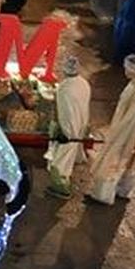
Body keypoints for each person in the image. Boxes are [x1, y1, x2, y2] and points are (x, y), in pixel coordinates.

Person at [86, 54, 135, 205]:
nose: (124, 71)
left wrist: (117, 135)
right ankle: (122, 190)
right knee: (129, 163)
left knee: (112, 162)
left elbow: (132, 119)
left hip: (126, 132)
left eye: (126, 68)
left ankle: (103, 195)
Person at [45, 55, 91, 198]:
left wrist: (62, 131)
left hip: (68, 130)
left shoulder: (64, 88)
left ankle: (61, 188)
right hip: (80, 126)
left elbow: (64, 112)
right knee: (69, 156)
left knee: (60, 161)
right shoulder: (84, 84)